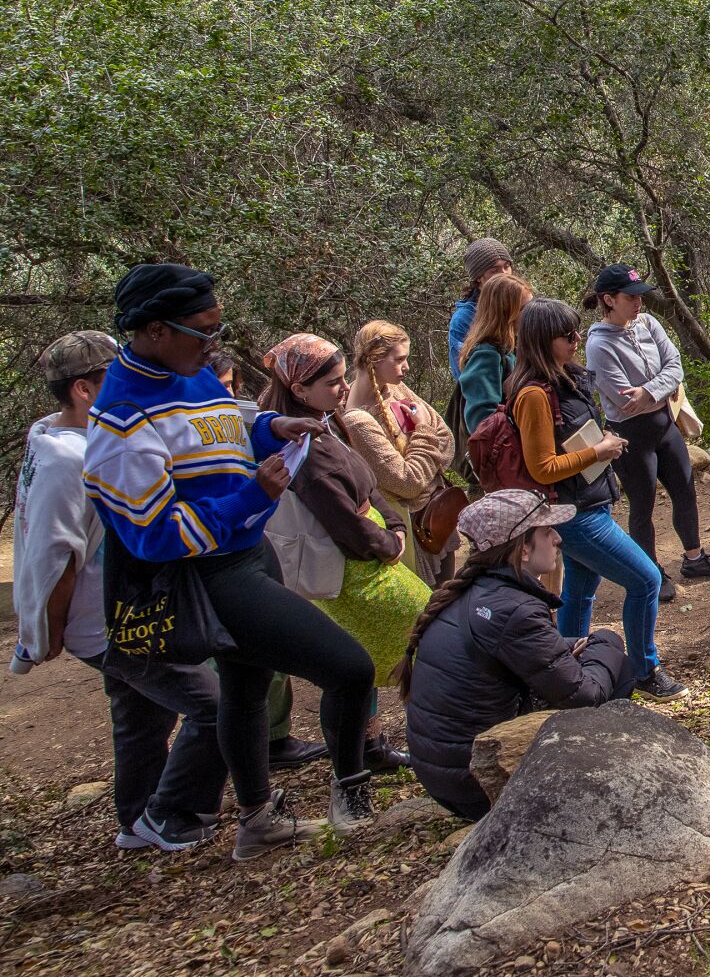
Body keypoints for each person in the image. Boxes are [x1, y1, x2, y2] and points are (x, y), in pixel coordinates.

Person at [84, 263, 374, 856]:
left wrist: (273, 427)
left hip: (250, 553)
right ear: (155, 330)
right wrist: (254, 494)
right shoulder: (120, 418)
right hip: (212, 577)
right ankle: (352, 800)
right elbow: (152, 535)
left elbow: (225, 426)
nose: (212, 345)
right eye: (202, 332)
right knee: (349, 667)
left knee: (245, 690)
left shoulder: (189, 374)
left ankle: (256, 821)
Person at [12, 330, 228, 852]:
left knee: (141, 716)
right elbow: (56, 556)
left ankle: (136, 820)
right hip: (115, 623)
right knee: (216, 706)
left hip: (119, 612)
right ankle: (170, 812)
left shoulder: (58, 441)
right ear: (85, 391)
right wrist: (49, 632)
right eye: (120, 378)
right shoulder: (71, 459)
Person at [397, 489, 632, 819]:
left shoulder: (476, 590)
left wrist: (566, 648)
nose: (557, 540)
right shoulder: (516, 609)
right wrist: (606, 641)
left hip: (445, 778)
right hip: (478, 787)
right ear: (522, 548)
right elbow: (586, 695)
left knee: (587, 661)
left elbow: (509, 652)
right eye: (546, 531)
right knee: (621, 670)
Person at [259, 333, 429, 774]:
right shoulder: (301, 445)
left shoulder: (327, 422)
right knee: (413, 641)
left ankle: (373, 747)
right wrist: (388, 541)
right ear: (298, 389)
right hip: (351, 572)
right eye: (332, 382)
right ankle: (375, 755)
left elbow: (368, 484)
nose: (343, 389)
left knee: (368, 660)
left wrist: (390, 522)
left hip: (371, 554)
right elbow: (342, 519)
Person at [508, 297, 683, 697]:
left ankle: (567, 675)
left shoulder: (563, 378)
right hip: (575, 514)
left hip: (586, 502)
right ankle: (643, 669)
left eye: (576, 331)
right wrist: (598, 451)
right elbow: (542, 467)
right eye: (566, 335)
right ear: (540, 341)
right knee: (646, 580)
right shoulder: (534, 394)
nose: (576, 339)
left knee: (580, 590)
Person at [584, 265, 710, 593]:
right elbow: (625, 399)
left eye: (641, 295)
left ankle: (695, 559)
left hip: (665, 425)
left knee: (685, 489)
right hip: (630, 435)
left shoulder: (649, 323)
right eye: (630, 297)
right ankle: (651, 575)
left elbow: (675, 366)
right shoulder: (598, 345)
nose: (639, 302)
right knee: (642, 505)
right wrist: (660, 387)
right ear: (608, 300)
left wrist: (650, 391)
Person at [344, 320, 458, 586]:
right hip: (415, 529)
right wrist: (423, 433)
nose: (406, 367)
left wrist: (421, 449)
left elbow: (448, 441)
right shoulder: (358, 421)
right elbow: (406, 482)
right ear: (373, 360)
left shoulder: (396, 389)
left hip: (438, 515)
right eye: (399, 359)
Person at [458, 271, 532, 432]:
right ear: (506, 313)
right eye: (525, 309)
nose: (531, 314)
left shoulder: (515, 346)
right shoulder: (486, 355)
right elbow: (481, 422)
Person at [448, 239, 516, 381]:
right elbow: (465, 374)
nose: (504, 274)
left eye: (507, 266)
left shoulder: (522, 304)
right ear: (479, 278)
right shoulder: (463, 319)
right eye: (494, 270)